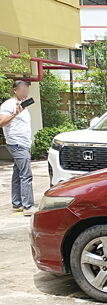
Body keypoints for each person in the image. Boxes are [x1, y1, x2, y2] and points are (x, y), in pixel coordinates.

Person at [0, 80, 35, 216]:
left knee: (17, 174)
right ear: (15, 90)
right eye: (22, 89)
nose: (25, 92)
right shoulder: (8, 105)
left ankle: (17, 203)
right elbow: (1, 123)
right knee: (26, 174)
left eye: (26, 90)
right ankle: (28, 206)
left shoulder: (23, 106)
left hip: (23, 143)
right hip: (17, 144)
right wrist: (15, 113)